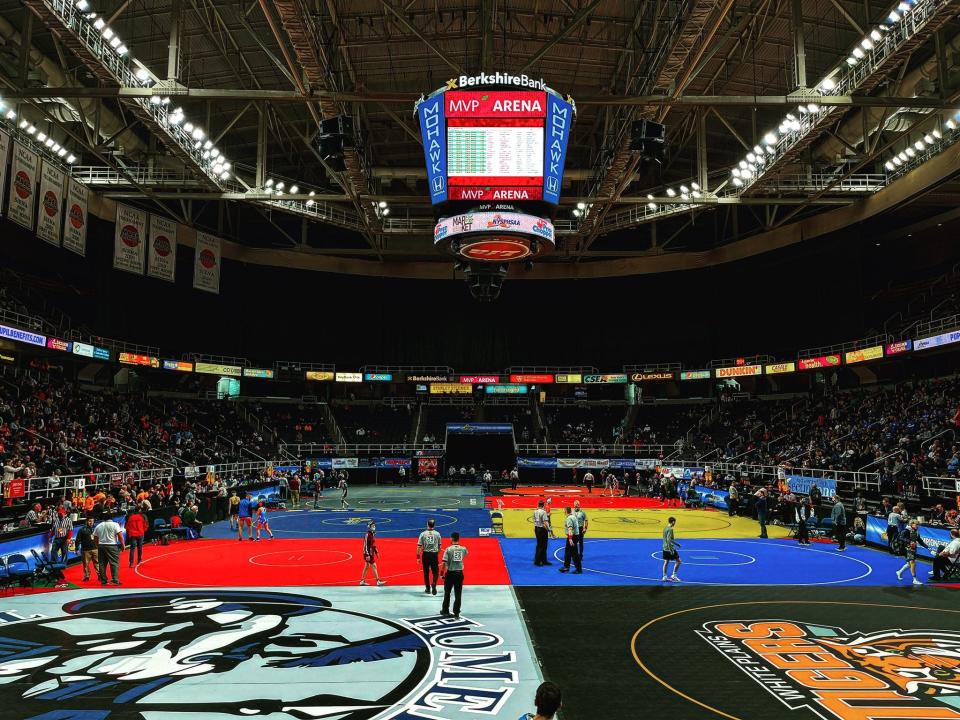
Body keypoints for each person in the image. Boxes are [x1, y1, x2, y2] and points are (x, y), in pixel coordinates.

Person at [440, 531, 468, 618]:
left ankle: (445, 610)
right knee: (458, 594)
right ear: (458, 539)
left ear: (451, 539)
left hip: (450, 573)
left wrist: (441, 573)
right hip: (459, 574)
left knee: (447, 592)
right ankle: (456, 612)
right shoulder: (463, 549)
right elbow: (465, 554)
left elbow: (444, 563)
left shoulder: (448, 549)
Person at [94, 514, 125, 586]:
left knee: (101, 563)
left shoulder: (99, 525)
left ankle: (103, 580)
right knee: (114, 563)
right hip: (112, 545)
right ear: (111, 518)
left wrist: (97, 545)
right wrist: (123, 545)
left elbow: (95, 537)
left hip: (101, 546)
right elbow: (120, 536)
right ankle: (115, 580)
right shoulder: (115, 524)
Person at [896, 519, 929, 586]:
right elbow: (900, 538)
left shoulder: (916, 532)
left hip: (913, 549)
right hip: (907, 548)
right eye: (916, 524)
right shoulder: (906, 530)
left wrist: (927, 547)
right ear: (911, 524)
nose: (917, 526)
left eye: (918, 525)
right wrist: (909, 542)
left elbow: (919, 540)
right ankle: (914, 579)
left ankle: (899, 572)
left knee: (909, 564)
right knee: (913, 563)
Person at [416, 518, 441, 594]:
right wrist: (436, 554)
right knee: (435, 572)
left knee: (426, 573)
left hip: (426, 555)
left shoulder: (423, 534)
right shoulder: (437, 534)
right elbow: (439, 547)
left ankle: (427, 588)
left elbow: (419, 547)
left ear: (427, 524)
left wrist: (418, 557)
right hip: (434, 554)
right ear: (434, 525)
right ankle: (434, 583)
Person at [360, 520, 386, 586]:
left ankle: (362, 581)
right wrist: (367, 554)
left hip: (371, 552)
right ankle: (378, 580)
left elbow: (373, 544)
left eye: (374, 526)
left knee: (367, 566)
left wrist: (376, 552)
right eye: (372, 526)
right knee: (374, 565)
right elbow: (365, 545)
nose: (374, 527)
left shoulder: (373, 533)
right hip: (367, 553)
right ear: (369, 527)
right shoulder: (367, 535)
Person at [559, 506, 582, 574]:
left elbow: (570, 529)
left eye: (564, 511)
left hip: (572, 537)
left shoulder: (569, 518)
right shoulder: (573, 516)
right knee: (567, 552)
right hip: (574, 536)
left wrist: (570, 539)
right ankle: (566, 566)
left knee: (574, 553)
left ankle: (579, 569)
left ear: (566, 511)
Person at [76, 515, 97, 582]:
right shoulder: (81, 530)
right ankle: (86, 576)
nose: (91, 523)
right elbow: (78, 540)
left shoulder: (96, 528)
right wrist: (76, 548)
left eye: (92, 521)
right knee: (85, 564)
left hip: (95, 549)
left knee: (97, 563)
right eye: (90, 521)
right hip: (85, 550)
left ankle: (100, 576)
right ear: (86, 521)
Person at [662, 516, 681, 582]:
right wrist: (671, 550)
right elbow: (669, 540)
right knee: (678, 561)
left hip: (664, 547)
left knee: (666, 562)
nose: (675, 523)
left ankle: (664, 576)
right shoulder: (670, 529)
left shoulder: (665, 528)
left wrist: (676, 544)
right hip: (670, 548)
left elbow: (668, 539)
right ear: (673, 522)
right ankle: (674, 575)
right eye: (674, 522)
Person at [533, 500, 550, 566]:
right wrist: (549, 529)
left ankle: (542, 560)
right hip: (542, 529)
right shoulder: (543, 512)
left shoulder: (535, 511)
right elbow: (545, 522)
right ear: (543, 505)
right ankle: (539, 561)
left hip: (537, 528)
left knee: (539, 544)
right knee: (543, 545)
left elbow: (534, 520)